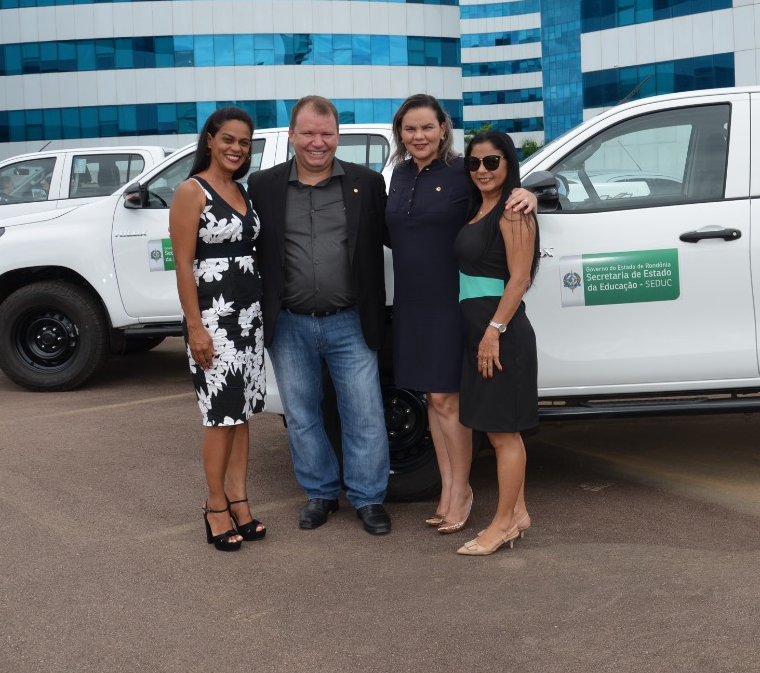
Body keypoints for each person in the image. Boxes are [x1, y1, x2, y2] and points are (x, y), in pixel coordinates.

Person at [385, 95, 536, 537]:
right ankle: (449, 489)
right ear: (400, 133)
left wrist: (527, 194)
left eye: (427, 128)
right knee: (434, 400)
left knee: (449, 401)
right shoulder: (396, 175)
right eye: (410, 129)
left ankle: (462, 491)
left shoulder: (461, 172)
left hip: (452, 300)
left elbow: (499, 195)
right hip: (412, 302)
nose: (419, 137)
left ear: (443, 129)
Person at [246, 96, 393, 535]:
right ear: (291, 135)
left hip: (350, 319)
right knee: (302, 413)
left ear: (338, 136)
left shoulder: (366, 183)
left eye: (326, 133)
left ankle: (368, 498)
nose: (318, 142)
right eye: (308, 133)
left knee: (364, 413)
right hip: (288, 321)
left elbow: (404, 227)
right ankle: (321, 493)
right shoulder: (263, 185)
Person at [169, 106, 267, 552]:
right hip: (214, 319)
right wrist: (196, 328)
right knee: (219, 415)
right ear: (209, 139)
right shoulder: (192, 191)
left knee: (241, 413)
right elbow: (184, 267)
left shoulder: (242, 190)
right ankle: (214, 506)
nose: (236, 148)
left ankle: (239, 499)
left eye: (244, 142)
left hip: (248, 317)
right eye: (228, 139)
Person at [453, 130, 539, 556]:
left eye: (492, 162)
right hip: (481, 334)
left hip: (500, 336)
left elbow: (520, 278)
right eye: (474, 163)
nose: (482, 170)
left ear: (508, 163)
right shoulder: (479, 207)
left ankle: (503, 524)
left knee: (505, 436)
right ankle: (518, 512)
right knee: (495, 431)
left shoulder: (512, 211)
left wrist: (493, 332)